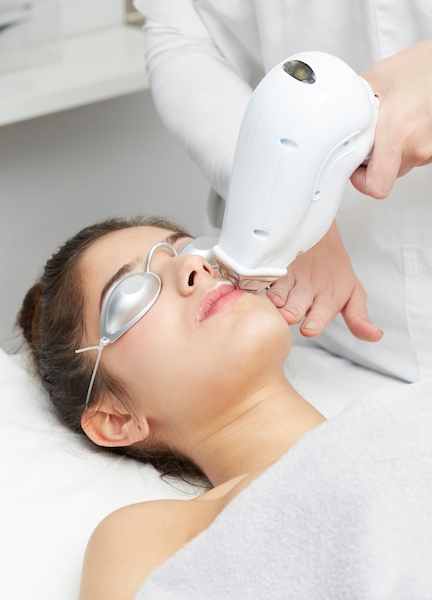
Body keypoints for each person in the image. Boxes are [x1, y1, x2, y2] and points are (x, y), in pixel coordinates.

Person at [18, 215, 432, 599]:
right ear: (116, 419)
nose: (194, 267)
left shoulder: (409, 410)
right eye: (132, 294)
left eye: (189, 250)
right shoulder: (156, 534)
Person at [133, 0, 432, 383]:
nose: (192, 270)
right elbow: (183, 30)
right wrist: (283, 201)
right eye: (131, 293)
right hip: (321, 327)